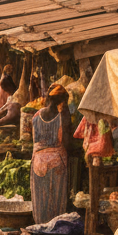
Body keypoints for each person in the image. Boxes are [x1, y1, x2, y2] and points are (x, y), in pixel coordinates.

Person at [30, 82, 72, 224]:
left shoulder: (36, 116)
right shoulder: (62, 117)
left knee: (41, 197)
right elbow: (66, 142)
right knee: (56, 197)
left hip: (38, 162)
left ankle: (40, 225)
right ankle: (56, 226)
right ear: (62, 101)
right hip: (56, 162)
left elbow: (35, 141)